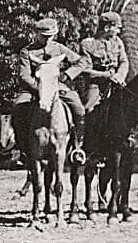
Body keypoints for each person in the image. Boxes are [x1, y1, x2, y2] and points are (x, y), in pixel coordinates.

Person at [14, 17, 90, 164]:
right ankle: (23, 148)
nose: (48, 40)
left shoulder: (59, 48)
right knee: (17, 108)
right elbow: (24, 76)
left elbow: (82, 61)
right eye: (44, 37)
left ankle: (77, 146)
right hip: (33, 88)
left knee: (79, 108)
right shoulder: (27, 51)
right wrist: (43, 88)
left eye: (51, 36)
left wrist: (67, 75)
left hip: (58, 86)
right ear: (36, 34)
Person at [79, 11, 129, 112]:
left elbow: (124, 61)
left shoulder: (117, 42)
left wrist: (120, 75)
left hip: (117, 83)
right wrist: (107, 75)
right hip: (95, 85)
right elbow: (85, 70)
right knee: (89, 108)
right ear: (107, 28)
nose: (118, 32)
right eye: (117, 28)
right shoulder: (88, 44)